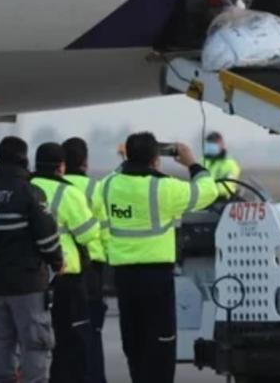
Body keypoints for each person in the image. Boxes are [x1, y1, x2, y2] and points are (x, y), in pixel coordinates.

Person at [102, 133, 219, 383]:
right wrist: (192, 163)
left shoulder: (109, 185)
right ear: (156, 160)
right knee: (161, 344)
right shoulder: (163, 188)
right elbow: (208, 192)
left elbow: (111, 179)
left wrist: (125, 162)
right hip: (156, 278)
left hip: (123, 278)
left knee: (134, 342)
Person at [0, 137, 63, 383]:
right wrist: (56, 262)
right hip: (28, 283)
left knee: (1, 343)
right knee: (34, 343)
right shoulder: (30, 193)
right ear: (23, 159)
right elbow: (47, 239)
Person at [31, 143, 103, 383]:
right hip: (65, 275)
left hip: (30, 276)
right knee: (72, 340)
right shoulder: (68, 192)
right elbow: (87, 234)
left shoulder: (26, 187)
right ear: (61, 167)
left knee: (32, 340)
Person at [62, 137, 108, 383]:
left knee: (65, 331)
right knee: (92, 330)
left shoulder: (54, 186)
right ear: (85, 162)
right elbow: (105, 227)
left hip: (62, 265)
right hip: (92, 266)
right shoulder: (95, 187)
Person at [202, 131, 242, 200]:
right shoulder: (202, 162)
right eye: (209, 143)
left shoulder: (230, 164)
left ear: (222, 145)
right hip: (203, 200)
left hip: (223, 201)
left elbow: (227, 185)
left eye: (214, 143)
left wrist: (207, 191)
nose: (211, 145)